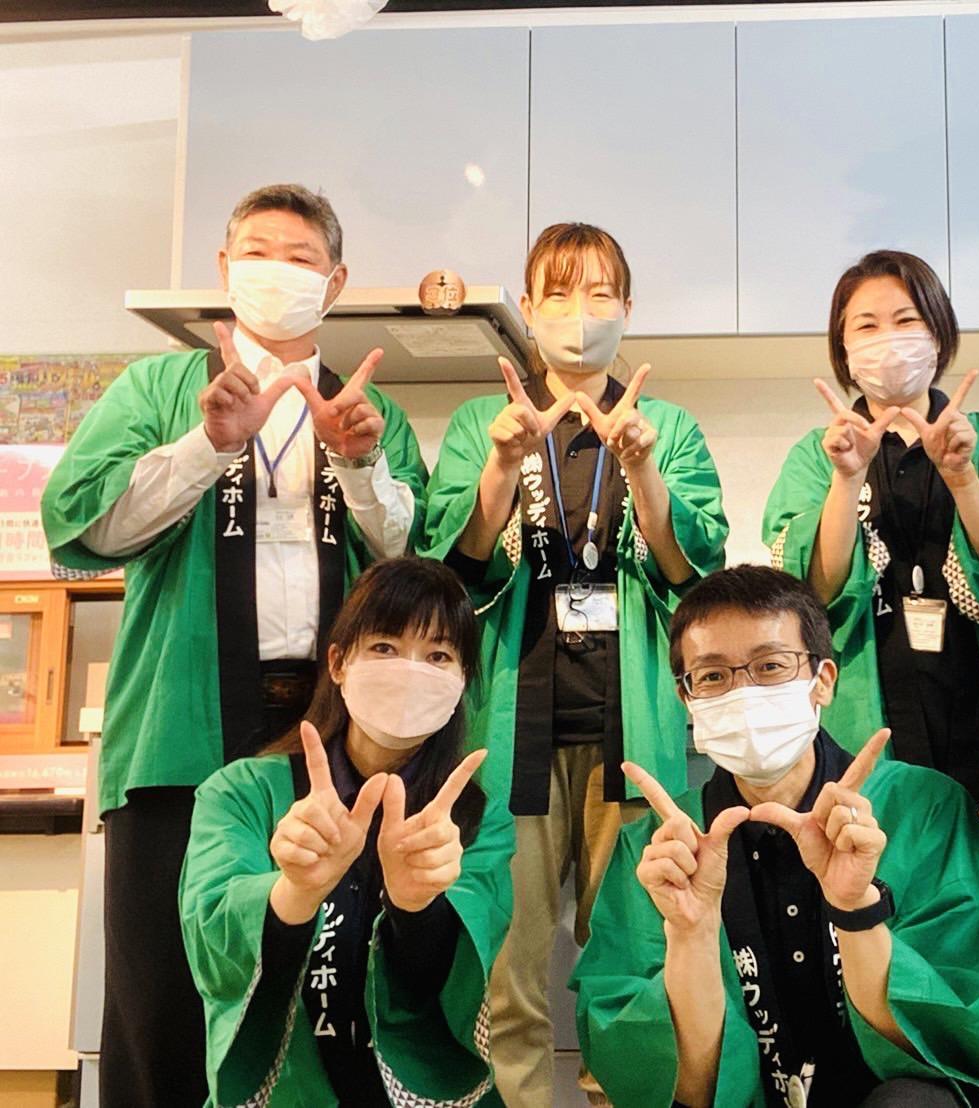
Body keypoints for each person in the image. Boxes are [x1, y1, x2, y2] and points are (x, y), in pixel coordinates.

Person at [40, 183, 426, 1106]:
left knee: (319, 991)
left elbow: (411, 564)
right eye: (256, 252)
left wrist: (361, 465)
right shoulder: (158, 389)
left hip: (332, 740)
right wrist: (208, 445)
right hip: (178, 728)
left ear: (335, 282)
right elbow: (86, 522)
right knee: (162, 1001)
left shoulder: (368, 408)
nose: (276, 272)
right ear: (222, 268)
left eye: (300, 258)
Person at [420, 222, 728, 1104]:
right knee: (507, 958)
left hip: (632, 728)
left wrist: (644, 470)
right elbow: (452, 570)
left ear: (627, 308)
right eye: (557, 293)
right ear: (527, 308)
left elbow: (696, 573)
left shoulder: (668, 425)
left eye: (598, 293)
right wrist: (501, 464)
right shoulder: (485, 420)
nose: (578, 312)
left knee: (630, 953)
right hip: (511, 726)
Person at [572, 565, 979, 1107]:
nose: (743, 692)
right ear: (687, 699)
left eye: (770, 666)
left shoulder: (924, 810)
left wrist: (855, 909)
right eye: (712, 676)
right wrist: (692, 935)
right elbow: (680, 1089)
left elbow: (953, 1045)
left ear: (822, 680)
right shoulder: (663, 850)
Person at [179, 556, 513, 1107]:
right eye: (384, 647)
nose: (409, 672)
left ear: (462, 682)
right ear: (337, 662)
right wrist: (294, 892)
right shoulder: (241, 792)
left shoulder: (475, 817)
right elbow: (213, 944)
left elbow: (457, 986)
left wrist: (416, 908)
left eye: (439, 656)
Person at [764, 250, 979, 805]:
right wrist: (847, 478)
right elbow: (811, 593)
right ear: (844, 348)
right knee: (878, 838)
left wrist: (962, 476)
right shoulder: (817, 454)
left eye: (906, 320)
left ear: (937, 333)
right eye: (866, 326)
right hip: (866, 691)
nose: (888, 339)